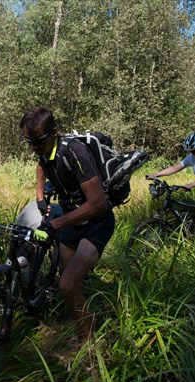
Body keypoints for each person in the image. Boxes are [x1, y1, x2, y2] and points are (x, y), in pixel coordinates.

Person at [19, 106, 115, 343]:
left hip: (95, 222)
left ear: (54, 132)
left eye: (38, 142)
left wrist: (56, 223)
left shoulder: (75, 153)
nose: (33, 148)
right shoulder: (43, 152)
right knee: (69, 282)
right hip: (71, 219)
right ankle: (81, 317)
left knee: (68, 284)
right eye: (28, 142)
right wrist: (40, 199)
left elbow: (98, 203)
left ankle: (89, 344)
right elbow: (41, 167)